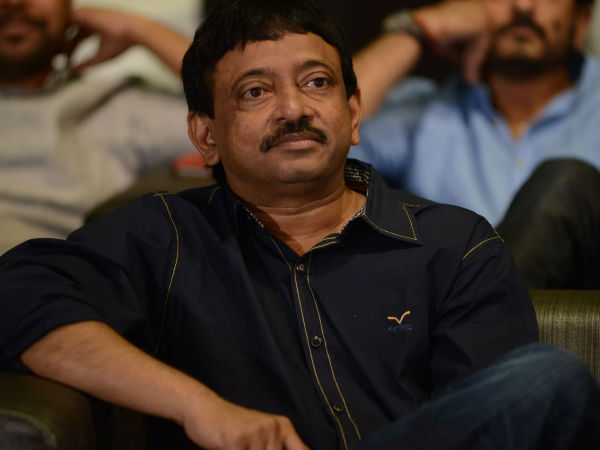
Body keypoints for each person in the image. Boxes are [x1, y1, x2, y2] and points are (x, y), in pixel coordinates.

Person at [0, 0, 598, 449]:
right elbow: (17, 293)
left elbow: (494, 420)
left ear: (353, 114)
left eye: (317, 83)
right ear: (205, 136)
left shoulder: (454, 244)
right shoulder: (165, 236)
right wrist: (195, 405)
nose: (293, 108)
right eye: (255, 91)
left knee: (547, 381)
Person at [350, 0, 600, 288]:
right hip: (443, 296)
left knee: (566, 182)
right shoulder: (424, 111)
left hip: (579, 308)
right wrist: (421, 28)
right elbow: (325, 138)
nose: (523, 5)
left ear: (581, 22)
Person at [0, 0, 193, 254]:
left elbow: (231, 119)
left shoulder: (116, 106)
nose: (14, 2)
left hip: (44, 269)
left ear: (67, 6)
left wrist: (142, 30)